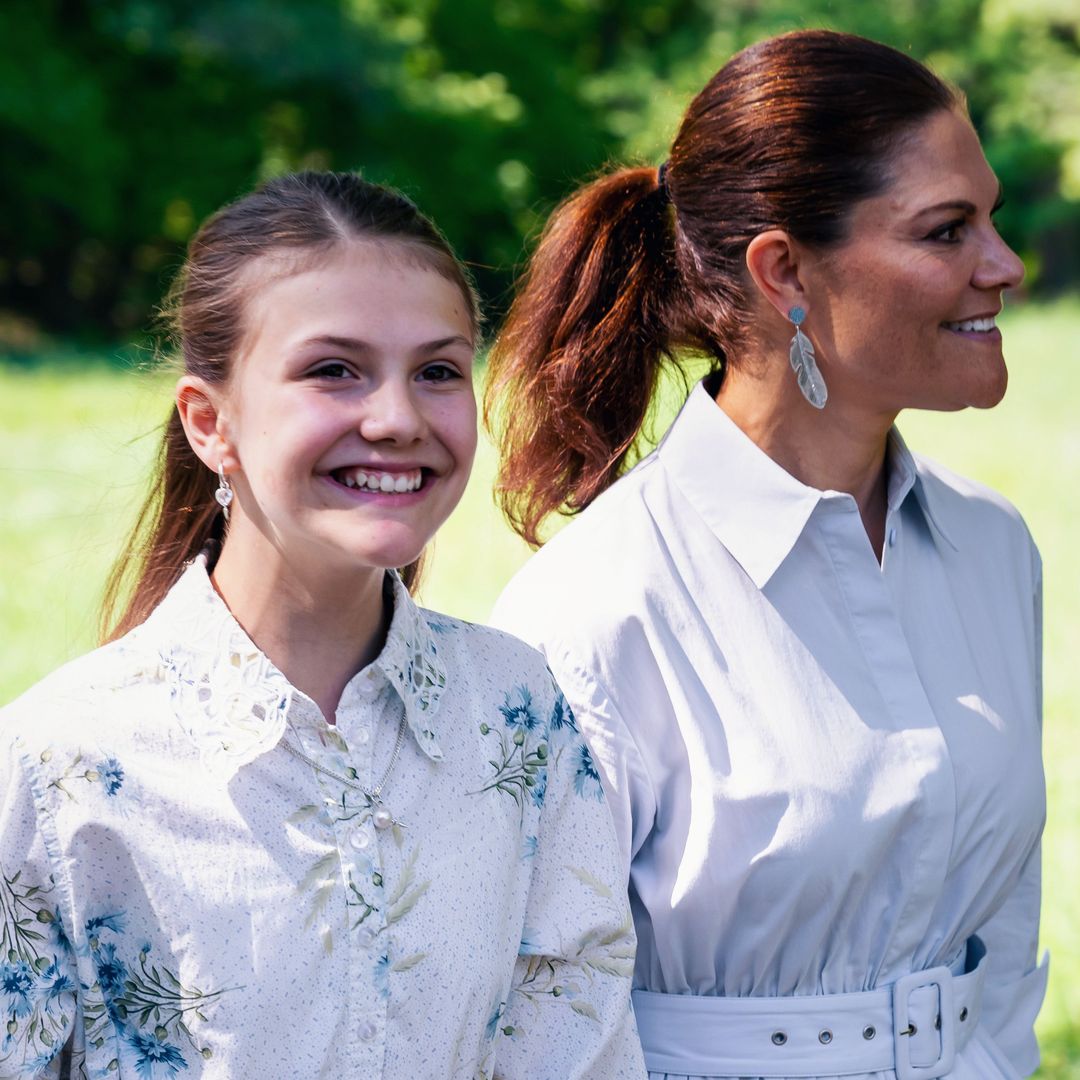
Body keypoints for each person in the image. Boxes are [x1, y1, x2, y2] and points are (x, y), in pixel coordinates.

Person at [487, 29, 1047, 1080]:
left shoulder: (993, 549)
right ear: (785, 271)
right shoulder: (595, 611)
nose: (1003, 266)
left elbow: (1002, 936)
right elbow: (539, 1022)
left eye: (994, 219)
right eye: (947, 230)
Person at [0, 172, 646, 1080]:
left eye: (437, 371)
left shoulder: (517, 712)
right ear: (209, 423)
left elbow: (577, 1045)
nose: (397, 418)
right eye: (333, 371)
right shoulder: (55, 763)